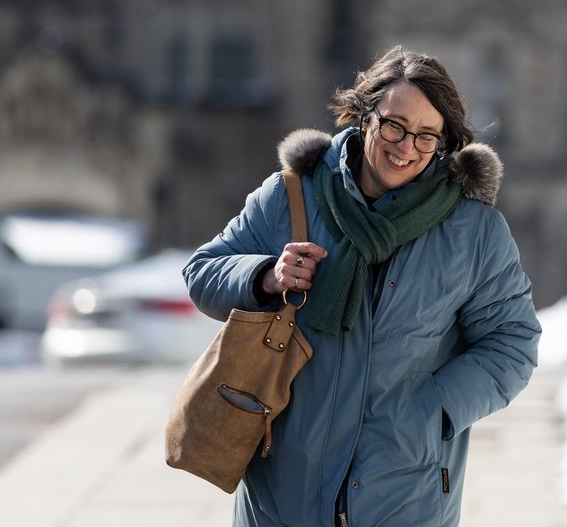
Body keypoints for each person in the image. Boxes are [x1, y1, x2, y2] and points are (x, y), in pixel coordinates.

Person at [183, 45, 540, 527]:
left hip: (406, 494)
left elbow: (512, 343)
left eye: (426, 136)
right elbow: (203, 272)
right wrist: (266, 275)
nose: (406, 147)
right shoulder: (292, 196)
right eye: (394, 125)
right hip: (282, 494)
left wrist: (432, 411)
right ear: (364, 114)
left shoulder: (473, 231)